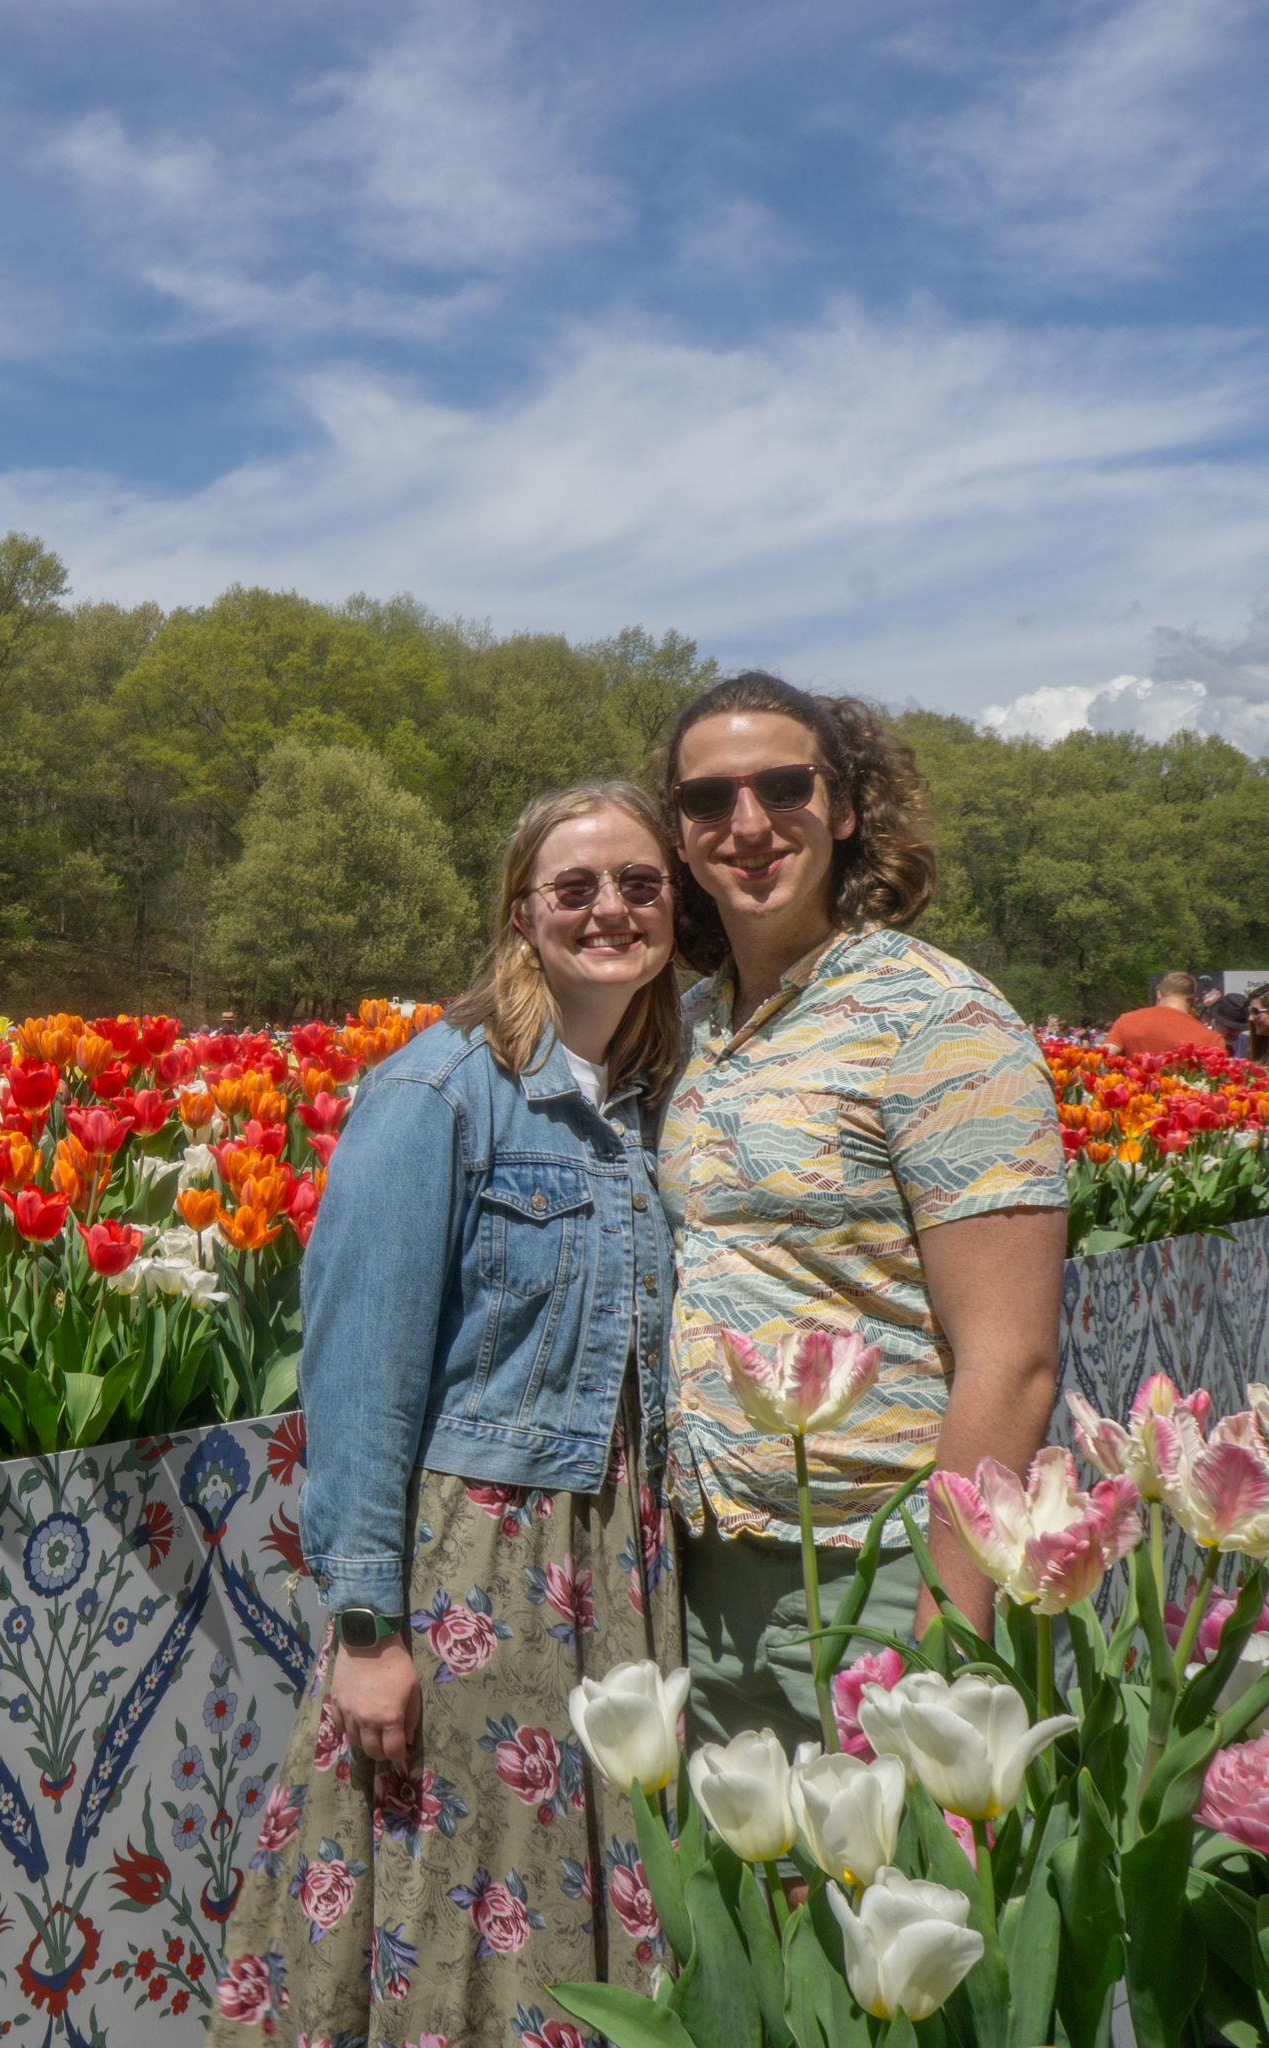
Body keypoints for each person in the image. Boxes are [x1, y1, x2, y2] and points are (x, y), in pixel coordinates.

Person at [209, 782, 682, 2043]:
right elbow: (358, 1374)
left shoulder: (644, 1098)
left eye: (639, 884)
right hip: (480, 1563)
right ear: (518, 914)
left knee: (586, 1875)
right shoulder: (438, 1091)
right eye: (573, 887)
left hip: (620, 1556)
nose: (609, 910)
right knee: (462, 1878)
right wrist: (364, 1621)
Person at [655, 672, 1068, 1753]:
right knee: (748, 1919)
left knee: (887, 1910)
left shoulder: (940, 1022)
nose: (746, 824)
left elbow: (1009, 1358)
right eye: (707, 800)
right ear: (680, 834)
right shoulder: (684, 1032)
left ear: (843, 808)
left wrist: (946, 1619)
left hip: (872, 1569)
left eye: (781, 786)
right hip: (693, 1578)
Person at [1106, 972, 1224, 1058]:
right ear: (1193, 1001)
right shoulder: (1212, 1040)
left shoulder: (1127, 1021)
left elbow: (1104, 1056)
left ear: (1158, 994)